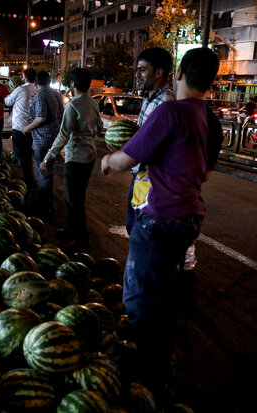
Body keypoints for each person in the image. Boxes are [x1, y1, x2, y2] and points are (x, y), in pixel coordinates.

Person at [100, 48, 223, 402]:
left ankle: (145, 380)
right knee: (165, 297)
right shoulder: (204, 114)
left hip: (160, 219)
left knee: (138, 300)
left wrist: (108, 160)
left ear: (179, 71)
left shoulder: (170, 111)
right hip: (188, 218)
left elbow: (127, 158)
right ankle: (161, 365)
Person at [38, 68, 103, 251]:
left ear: (73, 84)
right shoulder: (93, 103)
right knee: (77, 197)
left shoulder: (73, 105)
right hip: (90, 155)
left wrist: (48, 158)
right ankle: (71, 230)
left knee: (72, 199)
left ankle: (82, 240)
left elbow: (63, 135)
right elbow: (98, 128)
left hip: (76, 158)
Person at [127, 47, 175, 235]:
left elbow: (156, 147)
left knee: (140, 230)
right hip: (141, 175)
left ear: (159, 73)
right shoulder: (148, 99)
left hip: (153, 181)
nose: (137, 74)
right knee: (132, 226)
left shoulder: (165, 104)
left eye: (142, 69)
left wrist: (120, 157)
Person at [22, 71, 65, 218]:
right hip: (54, 138)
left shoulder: (40, 95)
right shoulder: (56, 94)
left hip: (43, 139)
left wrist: (27, 128)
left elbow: (41, 118)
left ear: (35, 83)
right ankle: (49, 202)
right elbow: (60, 114)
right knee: (49, 170)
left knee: (43, 171)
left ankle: (47, 205)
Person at [4, 68, 37, 191]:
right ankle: (29, 177)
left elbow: (7, 101)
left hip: (19, 126)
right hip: (31, 126)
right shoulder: (37, 89)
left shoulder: (21, 89)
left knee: (20, 153)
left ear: (26, 77)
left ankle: (28, 179)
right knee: (27, 152)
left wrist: (13, 89)